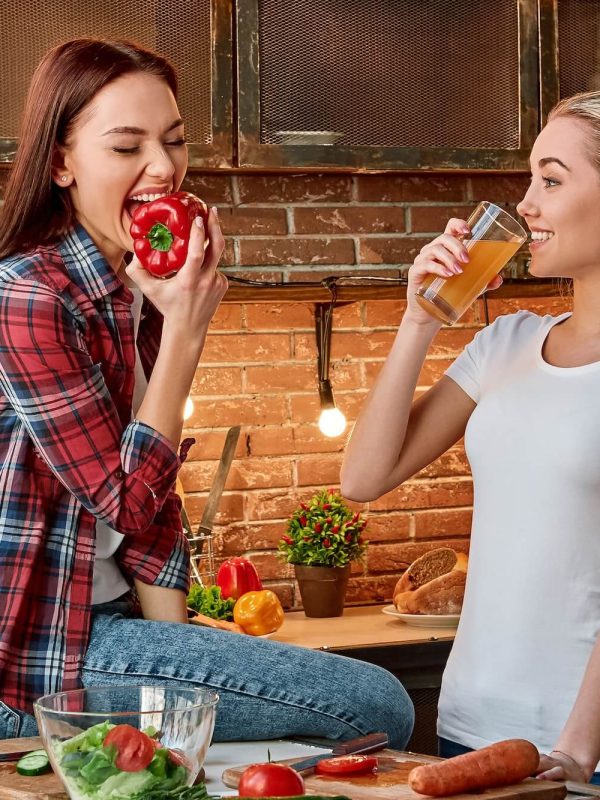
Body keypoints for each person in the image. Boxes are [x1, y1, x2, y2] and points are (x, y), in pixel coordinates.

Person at [0, 38, 414, 747]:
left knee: (297, 737)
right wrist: (188, 327)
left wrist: (189, 671)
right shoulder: (28, 295)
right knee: (374, 704)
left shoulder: (136, 290)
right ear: (62, 163)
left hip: (112, 626)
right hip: (39, 661)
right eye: (127, 147)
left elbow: (152, 517)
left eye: (174, 141)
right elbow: (124, 499)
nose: (163, 168)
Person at [341, 90, 600, 783]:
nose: (527, 204)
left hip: (575, 747)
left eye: (551, 178)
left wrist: (578, 750)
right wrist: (418, 322)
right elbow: (364, 479)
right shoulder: (506, 342)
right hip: (467, 725)